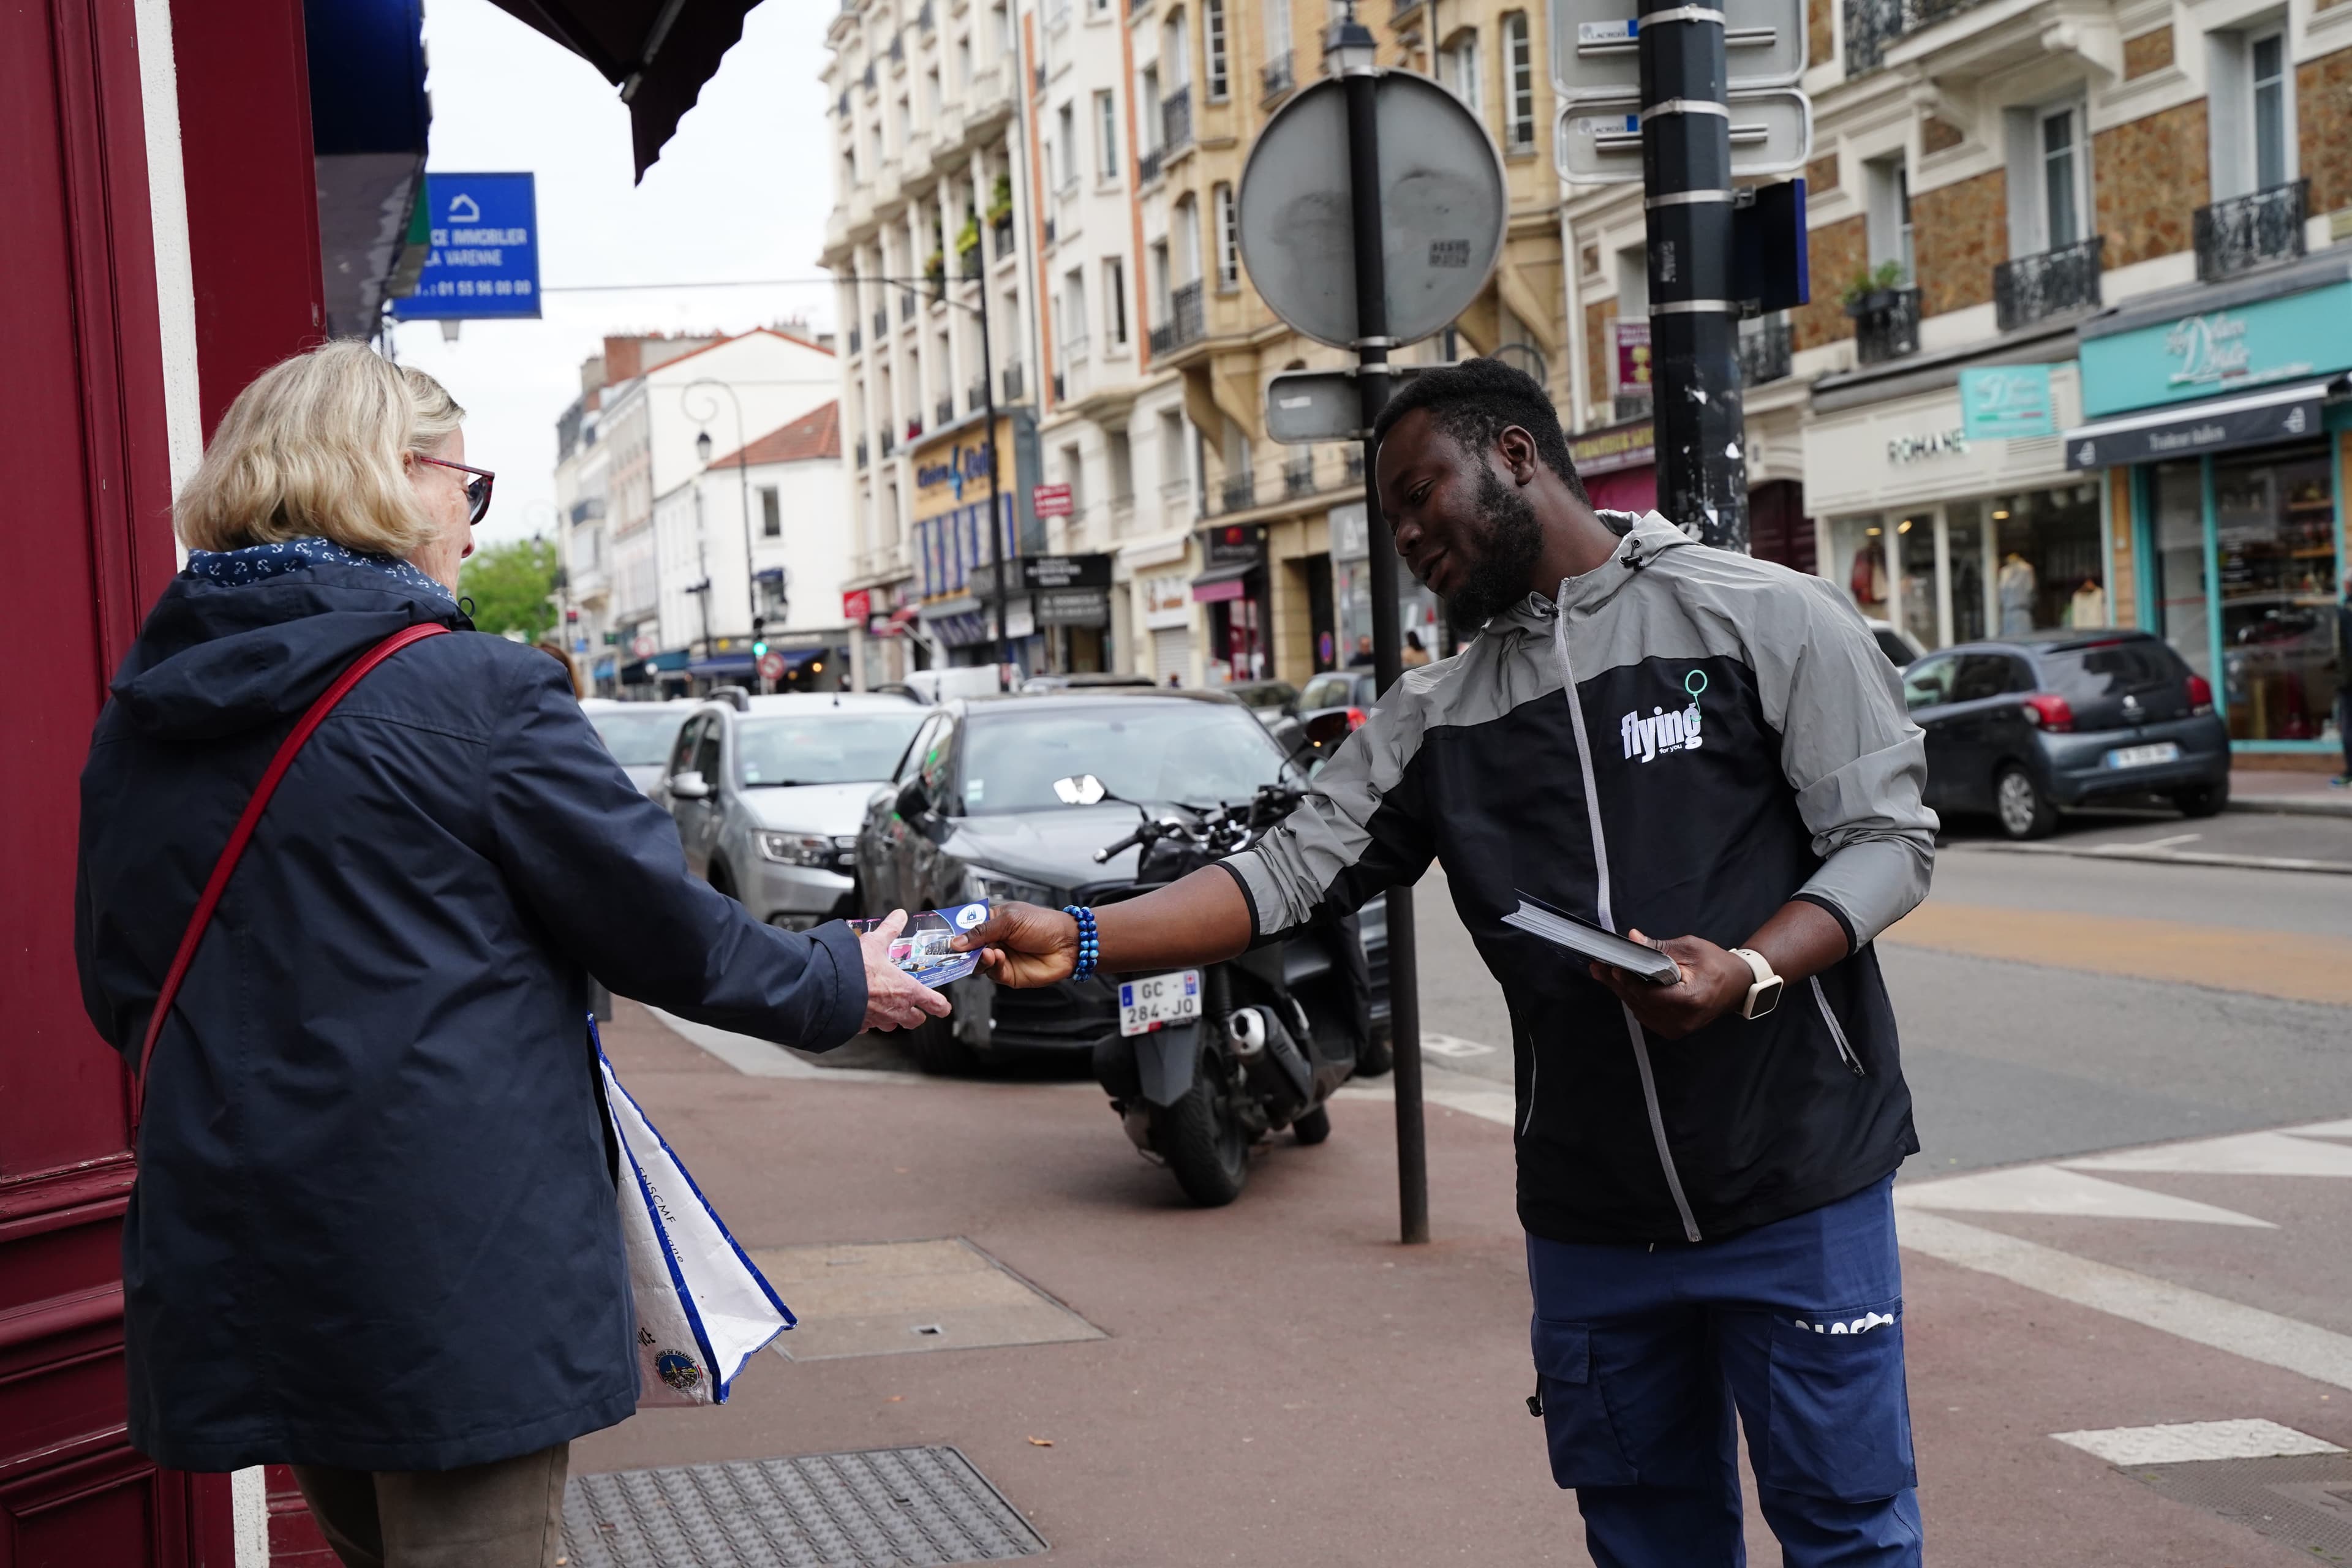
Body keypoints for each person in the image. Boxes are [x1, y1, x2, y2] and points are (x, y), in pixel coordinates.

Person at [957, 357, 1936, 1567]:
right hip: (1592, 1216)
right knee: (1648, 1539)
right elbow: (1283, 874)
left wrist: (1745, 964)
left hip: (1799, 1178)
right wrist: (1092, 932)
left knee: (1848, 1534)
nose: (1408, 534)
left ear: (1515, 457)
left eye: (1422, 494)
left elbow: (1885, 841)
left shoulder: (1764, 615)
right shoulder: (1433, 717)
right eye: (1394, 516)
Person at [74, 341, 950, 1568]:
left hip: (246, 1235)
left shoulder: (150, 707)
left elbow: (114, 973)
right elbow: (656, 922)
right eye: (463, 484)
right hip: (446, 1253)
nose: (473, 528)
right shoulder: (472, 693)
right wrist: (836, 981)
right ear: (382, 478)